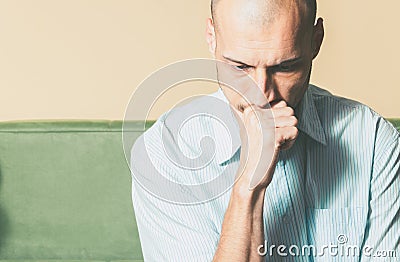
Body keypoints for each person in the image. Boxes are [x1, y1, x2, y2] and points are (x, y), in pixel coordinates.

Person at [130, 0, 400, 261]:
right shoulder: (163, 155)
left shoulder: (373, 141)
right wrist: (249, 185)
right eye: (240, 67)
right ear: (212, 37)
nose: (261, 94)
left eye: (285, 67)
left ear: (315, 41)